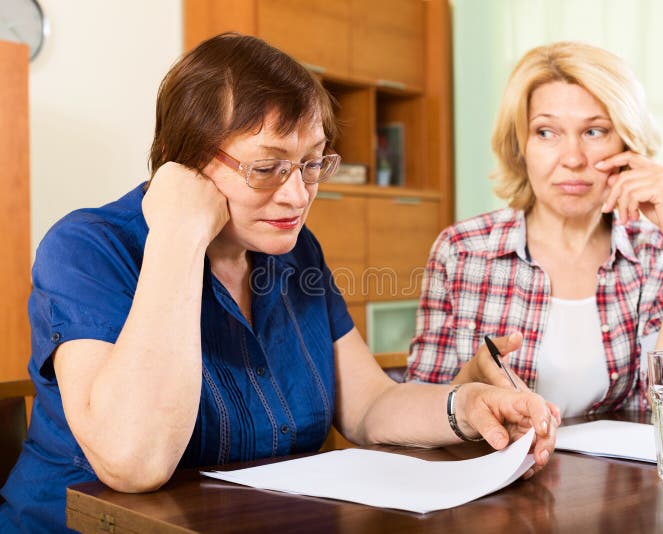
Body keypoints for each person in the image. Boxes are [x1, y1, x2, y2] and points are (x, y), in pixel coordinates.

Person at [0, 33, 556, 532]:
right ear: (179, 164)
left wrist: (467, 406)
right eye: (266, 168)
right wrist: (177, 234)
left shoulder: (292, 251)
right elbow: (135, 461)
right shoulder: (87, 249)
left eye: (312, 164)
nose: (297, 196)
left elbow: (368, 406)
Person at [406, 41, 663, 417]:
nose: (572, 159)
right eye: (546, 133)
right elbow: (420, 411)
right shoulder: (461, 250)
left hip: (621, 477)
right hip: (500, 473)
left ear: (626, 142)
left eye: (594, 132)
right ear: (520, 146)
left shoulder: (654, 254)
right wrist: (469, 382)